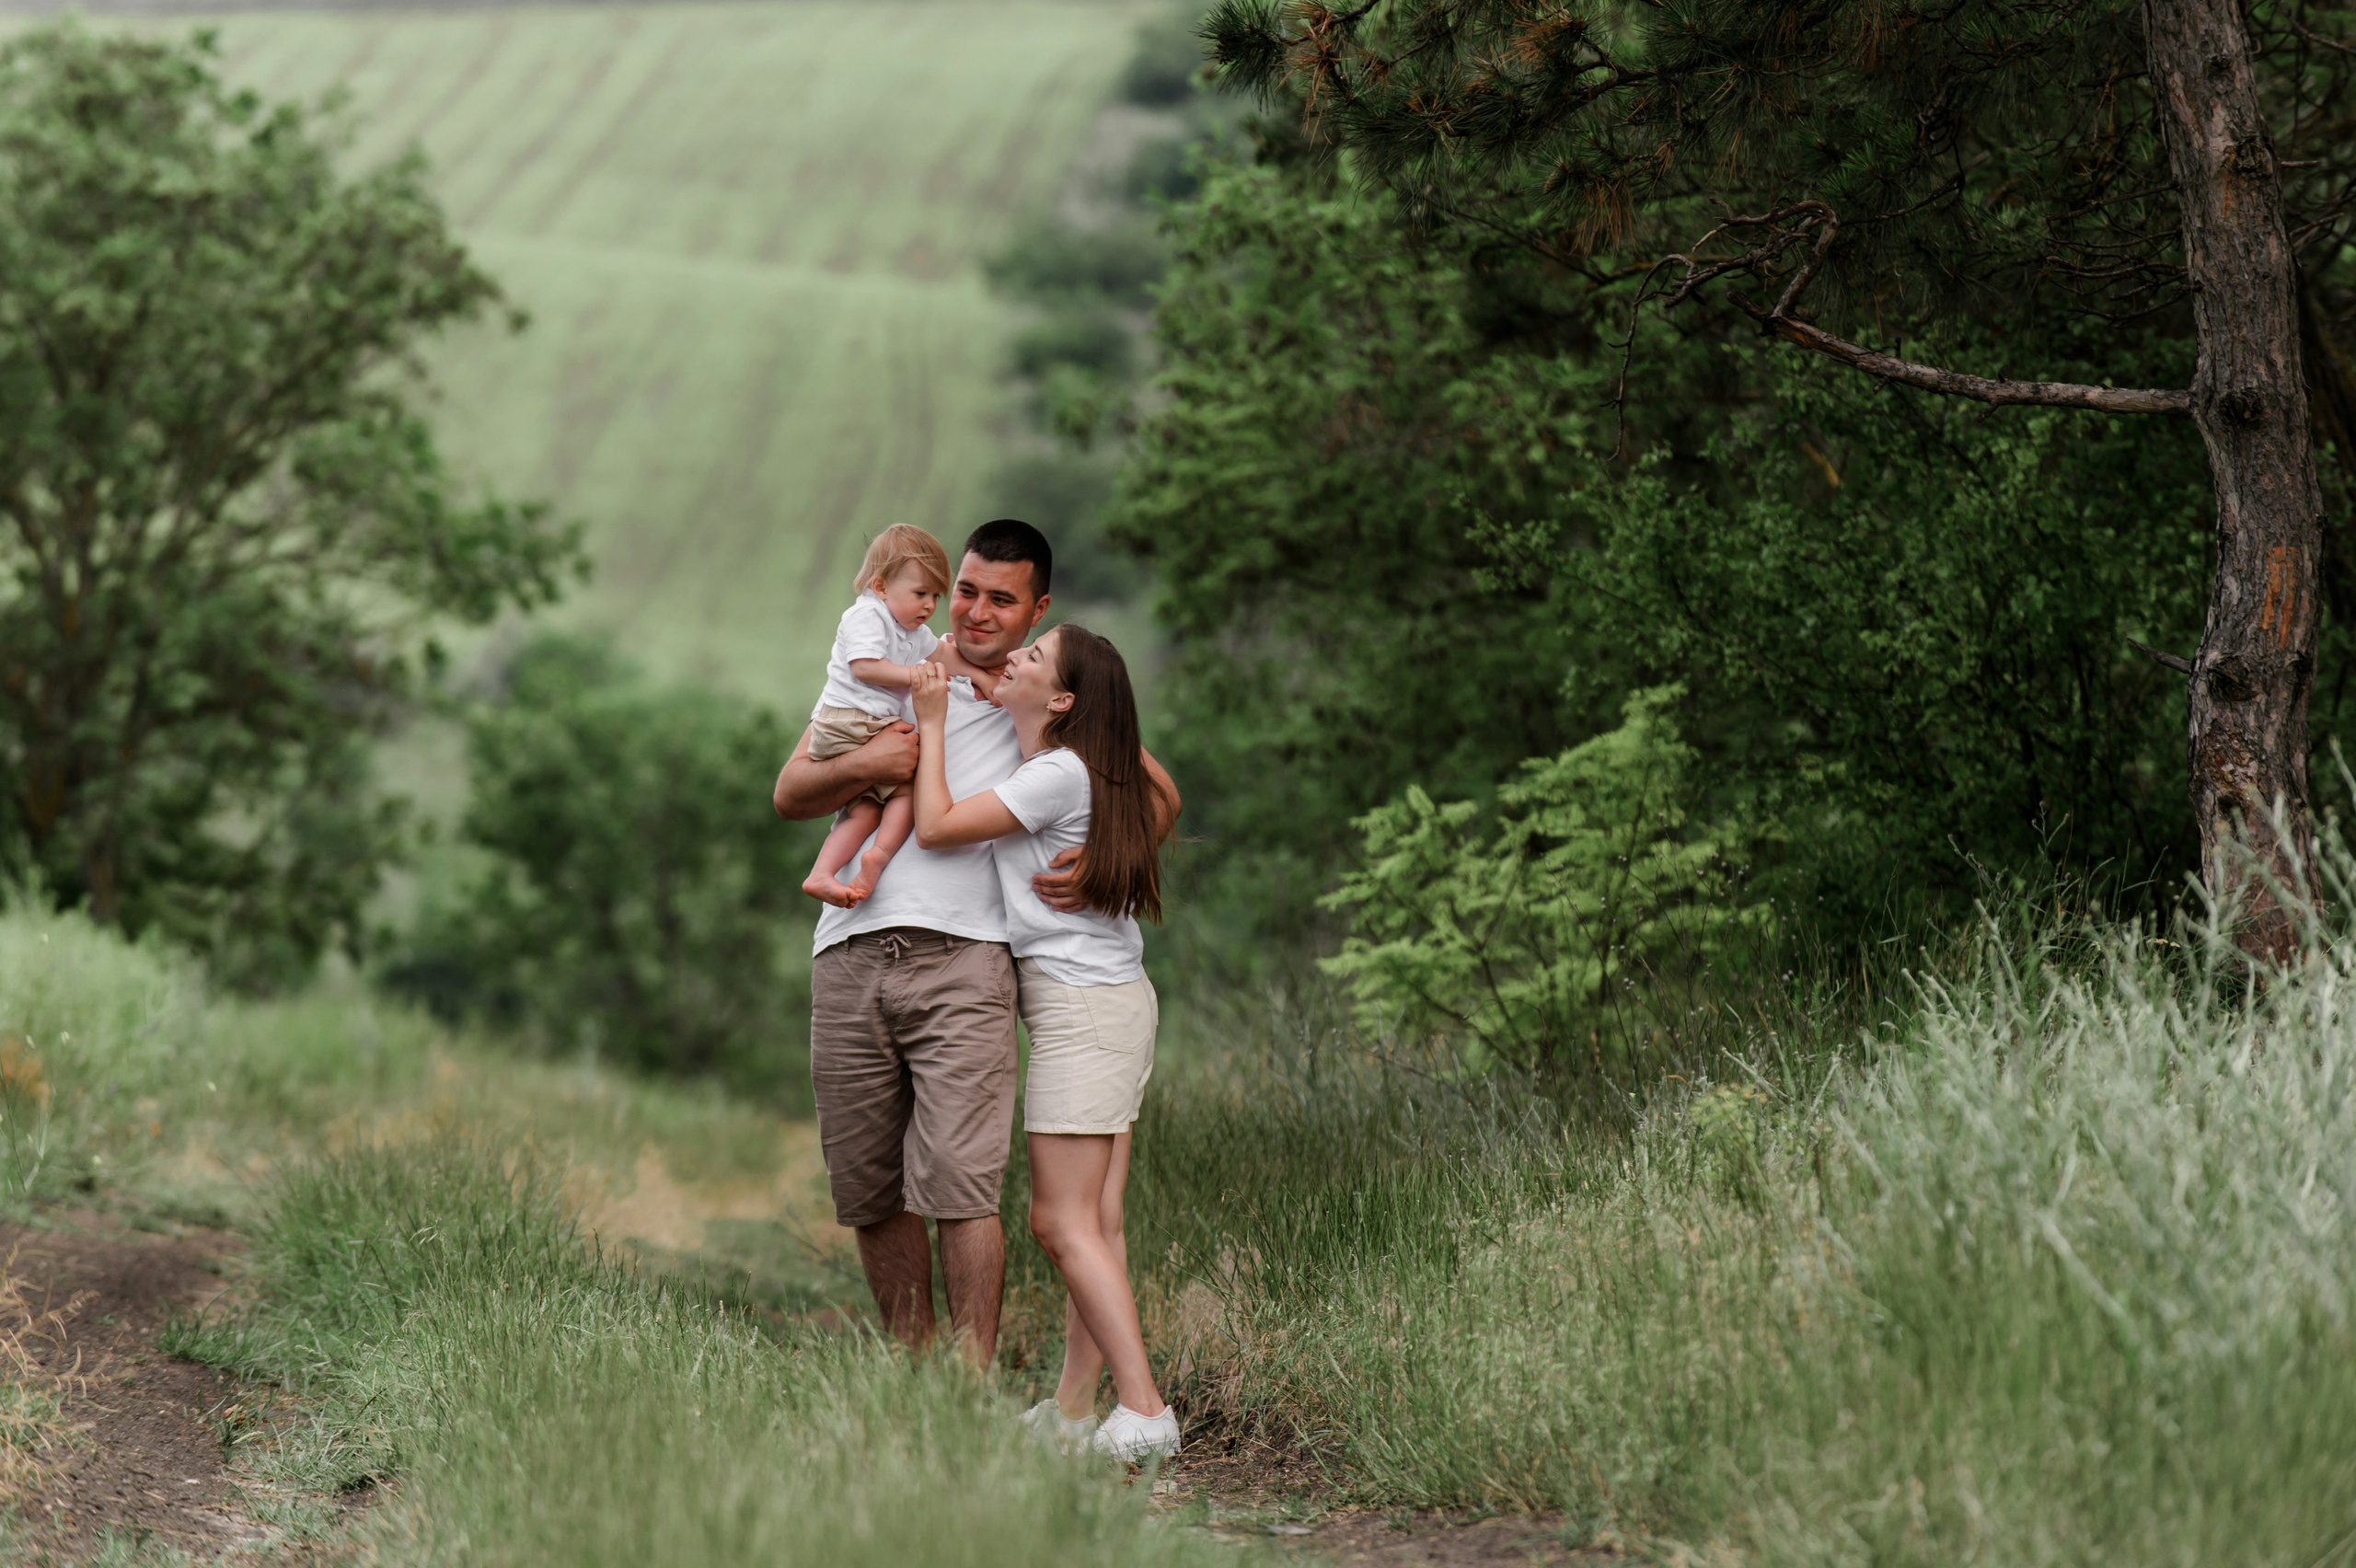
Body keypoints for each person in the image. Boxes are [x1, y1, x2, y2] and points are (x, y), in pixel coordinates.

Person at [769, 522, 1179, 1372]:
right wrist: (870, 760)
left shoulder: (1039, 695)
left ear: (1038, 610)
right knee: (871, 1187)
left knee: (961, 1187)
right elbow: (791, 791)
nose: (977, 611)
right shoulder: (899, 658)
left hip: (966, 958)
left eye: (1002, 598)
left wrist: (1107, 864)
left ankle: (970, 1381)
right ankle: (919, 1383)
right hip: (847, 950)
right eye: (966, 590)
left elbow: (1159, 795)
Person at [907, 624, 1183, 1461]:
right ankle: (1073, 1409)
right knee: (1098, 1220)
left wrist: (929, 723)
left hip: (1082, 1012)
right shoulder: (1082, 767)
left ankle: (1144, 1413)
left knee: (1060, 1222)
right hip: (1111, 1003)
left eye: (1032, 656)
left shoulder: (1058, 773)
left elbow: (938, 826)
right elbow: (1157, 784)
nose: (1014, 655)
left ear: (1062, 700)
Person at [799, 525, 953, 909]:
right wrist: (916, 676)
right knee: (907, 792)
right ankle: (879, 856)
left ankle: (822, 874)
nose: (930, 606)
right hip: (849, 722)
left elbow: (943, 655)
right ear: (881, 587)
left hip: (864, 725)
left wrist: (982, 674)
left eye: (935, 596)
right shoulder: (867, 614)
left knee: (865, 810)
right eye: (921, 594)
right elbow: (866, 667)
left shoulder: (910, 629)